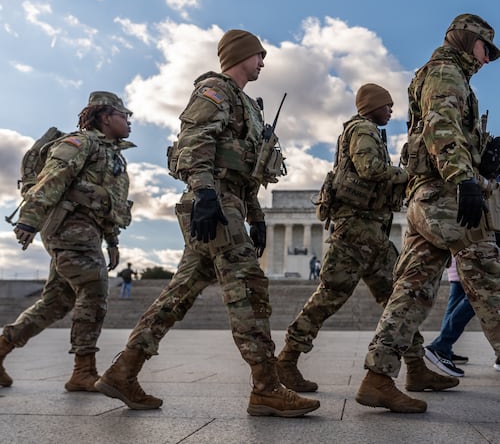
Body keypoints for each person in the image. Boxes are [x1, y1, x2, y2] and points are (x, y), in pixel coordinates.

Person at [95, 29, 320, 417]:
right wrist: (204, 194)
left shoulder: (247, 104)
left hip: (228, 200)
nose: (263, 62)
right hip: (213, 203)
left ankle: (123, 370)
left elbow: (246, 168)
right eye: (258, 55)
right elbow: (196, 139)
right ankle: (266, 386)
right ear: (239, 56)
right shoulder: (214, 90)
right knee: (248, 289)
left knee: (179, 293)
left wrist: (258, 216)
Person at [356, 13, 500, 413]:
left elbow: (443, 132)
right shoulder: (445, 72)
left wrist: (482, 162)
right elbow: (440, 126)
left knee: (412, 289)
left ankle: (378, 377)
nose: (488, 58)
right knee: (489, 280)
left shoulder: (442, 74)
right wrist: (465, 179)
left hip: (427, 194)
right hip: (445, 196)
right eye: (485, 48)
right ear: (467, 39)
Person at [278, 83, 454, 394]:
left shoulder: (367, 130)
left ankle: (416, 367)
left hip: (370, 231)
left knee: (398, 297)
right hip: (356, 231)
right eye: (386, 104)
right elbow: (369, 168)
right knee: (332, 295)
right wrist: (410, 176)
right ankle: (287, 359)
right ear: (371, 105)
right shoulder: (363, 129)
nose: (391, 110)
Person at [0, 91, 134, 392]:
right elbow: (54, 177)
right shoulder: (80, 143)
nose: (128, 122)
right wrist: (29, 219)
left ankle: (2, 348)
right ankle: (83, 370)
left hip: (89, 232)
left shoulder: (114, 155)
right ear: (105, 116)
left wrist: (112, 240)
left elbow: (110, 204)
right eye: (124, 116)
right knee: (94, 288)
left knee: (56, 302)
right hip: (69, 228)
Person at [424, 257, 474, 377]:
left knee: (457, 304)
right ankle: (441, 346)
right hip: (472, 259)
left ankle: (444, 348)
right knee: (478, 297)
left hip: (460, 260)